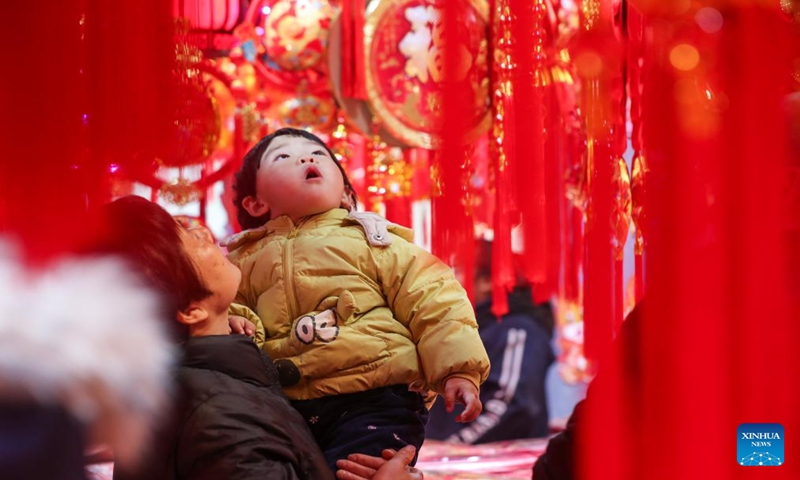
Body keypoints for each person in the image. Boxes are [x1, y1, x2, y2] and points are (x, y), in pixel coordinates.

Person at [95, 196, 422, 480]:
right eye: (185, 237)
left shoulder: (183, 391)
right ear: (191, 310)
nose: (204, 232)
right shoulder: (222, 421)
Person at [226, 127, 491, 470]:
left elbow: (435, 300)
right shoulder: (241, 260)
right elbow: (228, 307)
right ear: (256, 203)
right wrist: (235, 320)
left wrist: (459, 370)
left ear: (346, 196)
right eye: (284, 157)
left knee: (356, 470)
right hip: (286, 406)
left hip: (378, 399)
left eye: (318, 154)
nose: (307, 158)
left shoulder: (375, 240)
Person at [426, 239, 556, 443]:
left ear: (486, 280)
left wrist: (452, 449)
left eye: (456, 270)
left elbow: (513, 407)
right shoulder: (468, 329)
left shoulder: (518, 329)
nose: (444, 281)